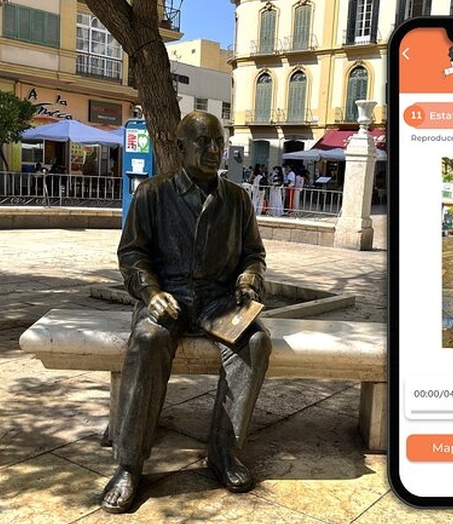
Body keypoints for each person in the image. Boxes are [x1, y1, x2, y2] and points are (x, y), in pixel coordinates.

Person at [102, 111, 272, 513]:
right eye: (203, 142)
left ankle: (224, 452)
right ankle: (129, 464)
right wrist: (151, 291)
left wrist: (249, 278)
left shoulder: (236, 199)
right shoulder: (152, 193)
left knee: (257, 342)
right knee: (147, 340)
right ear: (180, 148)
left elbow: (254, 254)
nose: (214, 150)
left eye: (219, 142)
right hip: (169, 298)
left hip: (218, 302)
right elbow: (132, 255)